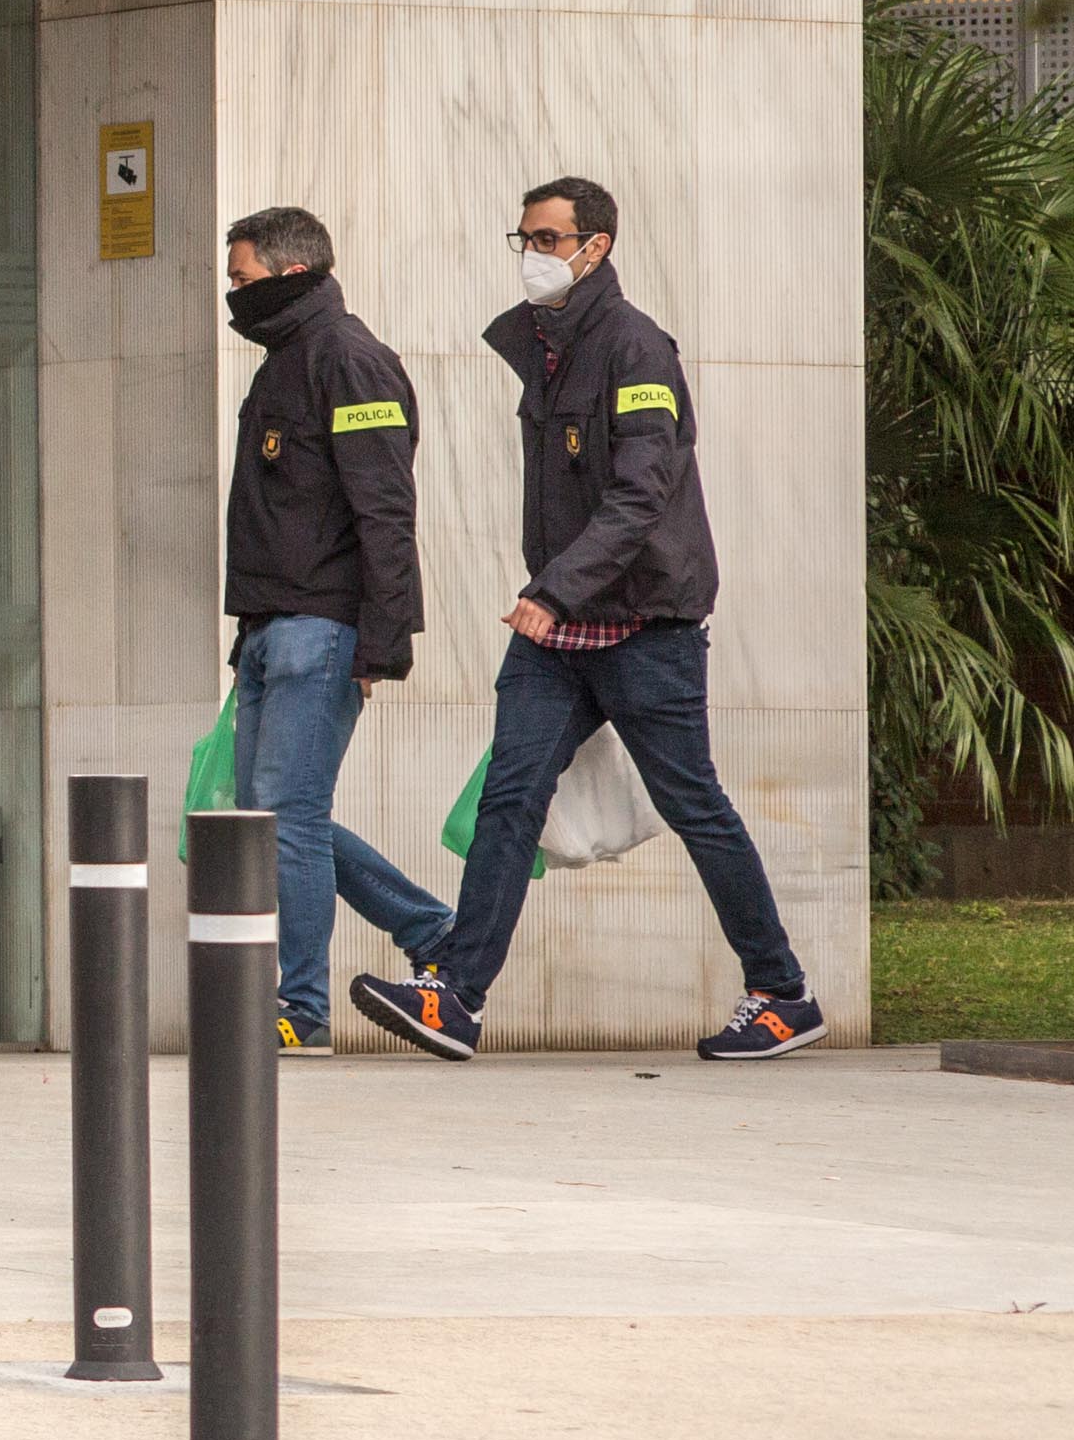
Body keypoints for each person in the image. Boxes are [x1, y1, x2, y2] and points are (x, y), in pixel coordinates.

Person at [352, 177, 825, 1062]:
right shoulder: (548, 344)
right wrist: (556, 595)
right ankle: (455, 995)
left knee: (694, 804)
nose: (531, 252)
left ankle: (781, 992)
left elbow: (644, 490)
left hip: (643, 618)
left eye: (546, 237)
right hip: (561, 628)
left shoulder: (637, 348)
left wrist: (554, 588)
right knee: (510, 796)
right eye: (523, 237)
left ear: (594, 246)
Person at [219, 205, 451, 1048]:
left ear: (290, 272)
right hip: (271, 629)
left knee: (285, 817)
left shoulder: (350, 361)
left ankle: (300, 1010)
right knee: (272, 819)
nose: (232, 294)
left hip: (322, 631)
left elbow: (386, 512)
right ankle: (433, 932)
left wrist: (383, 642)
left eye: (241, 278)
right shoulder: (286, 362)